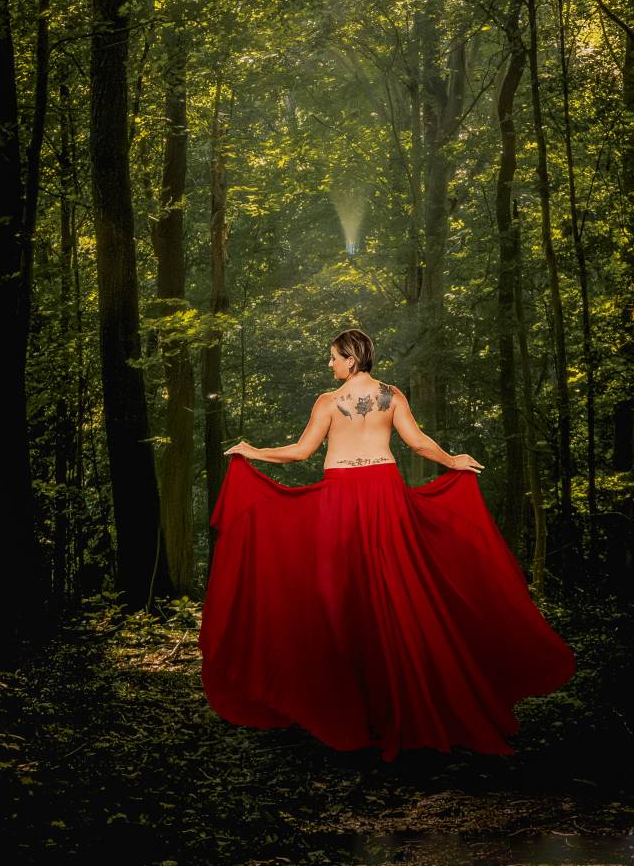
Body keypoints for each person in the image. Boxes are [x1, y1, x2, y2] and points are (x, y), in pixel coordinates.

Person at [198, 325, 575, 760]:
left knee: (343, 596)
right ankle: (400, 702)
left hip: (342, 495)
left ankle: (357, 708)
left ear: (352, 358)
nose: (330, 364)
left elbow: (301, 452)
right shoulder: (392, 395)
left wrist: (253, 451)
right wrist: (453, 460)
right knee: (397, 590)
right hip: (384, 491)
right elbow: (416, 443)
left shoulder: (328, 402)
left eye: (334, 357)